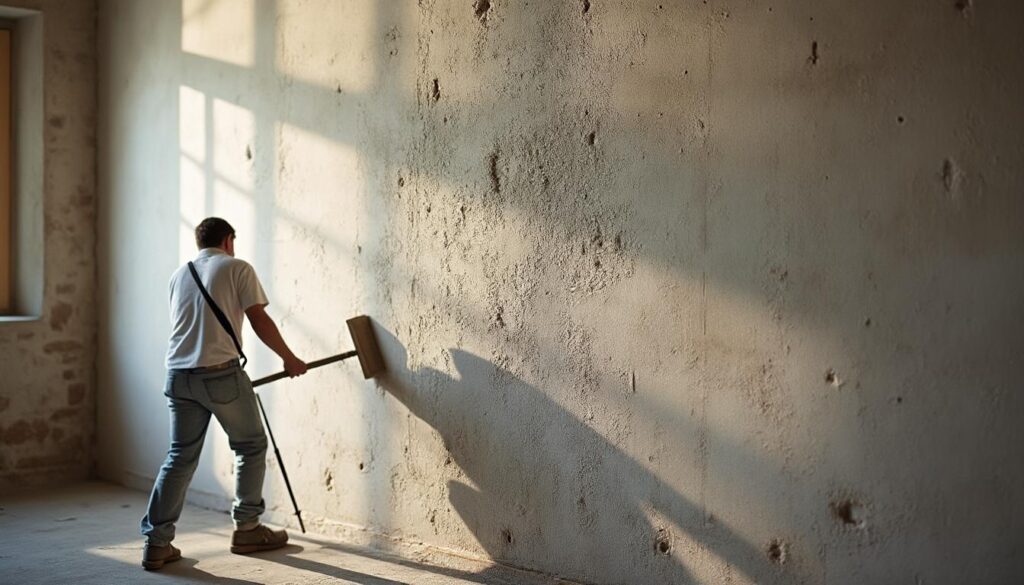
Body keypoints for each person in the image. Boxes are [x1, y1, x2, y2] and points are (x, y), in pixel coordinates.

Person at [140, 217, 308, 570]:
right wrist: (289, 358)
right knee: (250, 445)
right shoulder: (237, 268)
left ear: (201, 242)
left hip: (178, 376)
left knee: (180, 457)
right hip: (220, 375)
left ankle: (157, 543)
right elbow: (259, 319)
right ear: (229, 240)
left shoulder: (178, 275)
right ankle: (247, 528)